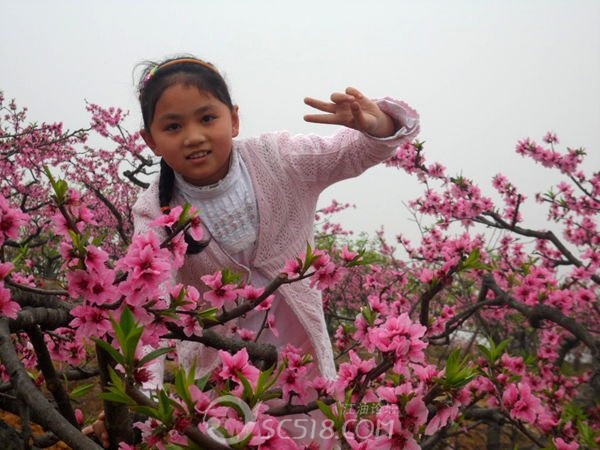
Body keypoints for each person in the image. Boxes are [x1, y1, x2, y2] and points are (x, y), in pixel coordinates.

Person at [86, 55, 420, 447]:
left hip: (300, 350)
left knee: (313, 435)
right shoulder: (154, 210)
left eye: (207, 118)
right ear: (151, 140)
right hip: (219, 368)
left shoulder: (278, 159)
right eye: (173, 126)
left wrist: (376, 125)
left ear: (234, 120)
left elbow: (354, 153)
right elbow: (150, 309)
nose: (193, 136)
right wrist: (144, 399)